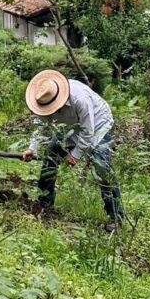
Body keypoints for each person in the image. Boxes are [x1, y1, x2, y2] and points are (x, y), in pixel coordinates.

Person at [22, 70, 125, 230]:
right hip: (69, 126)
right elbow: (40, 125)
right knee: (52, 153)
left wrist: (75, 155)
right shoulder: (42, 99)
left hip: (98, 123)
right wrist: (32, 148)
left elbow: (88, 131)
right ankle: (44, 202)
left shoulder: (79, 98)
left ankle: (116, 216)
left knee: (102, 167)